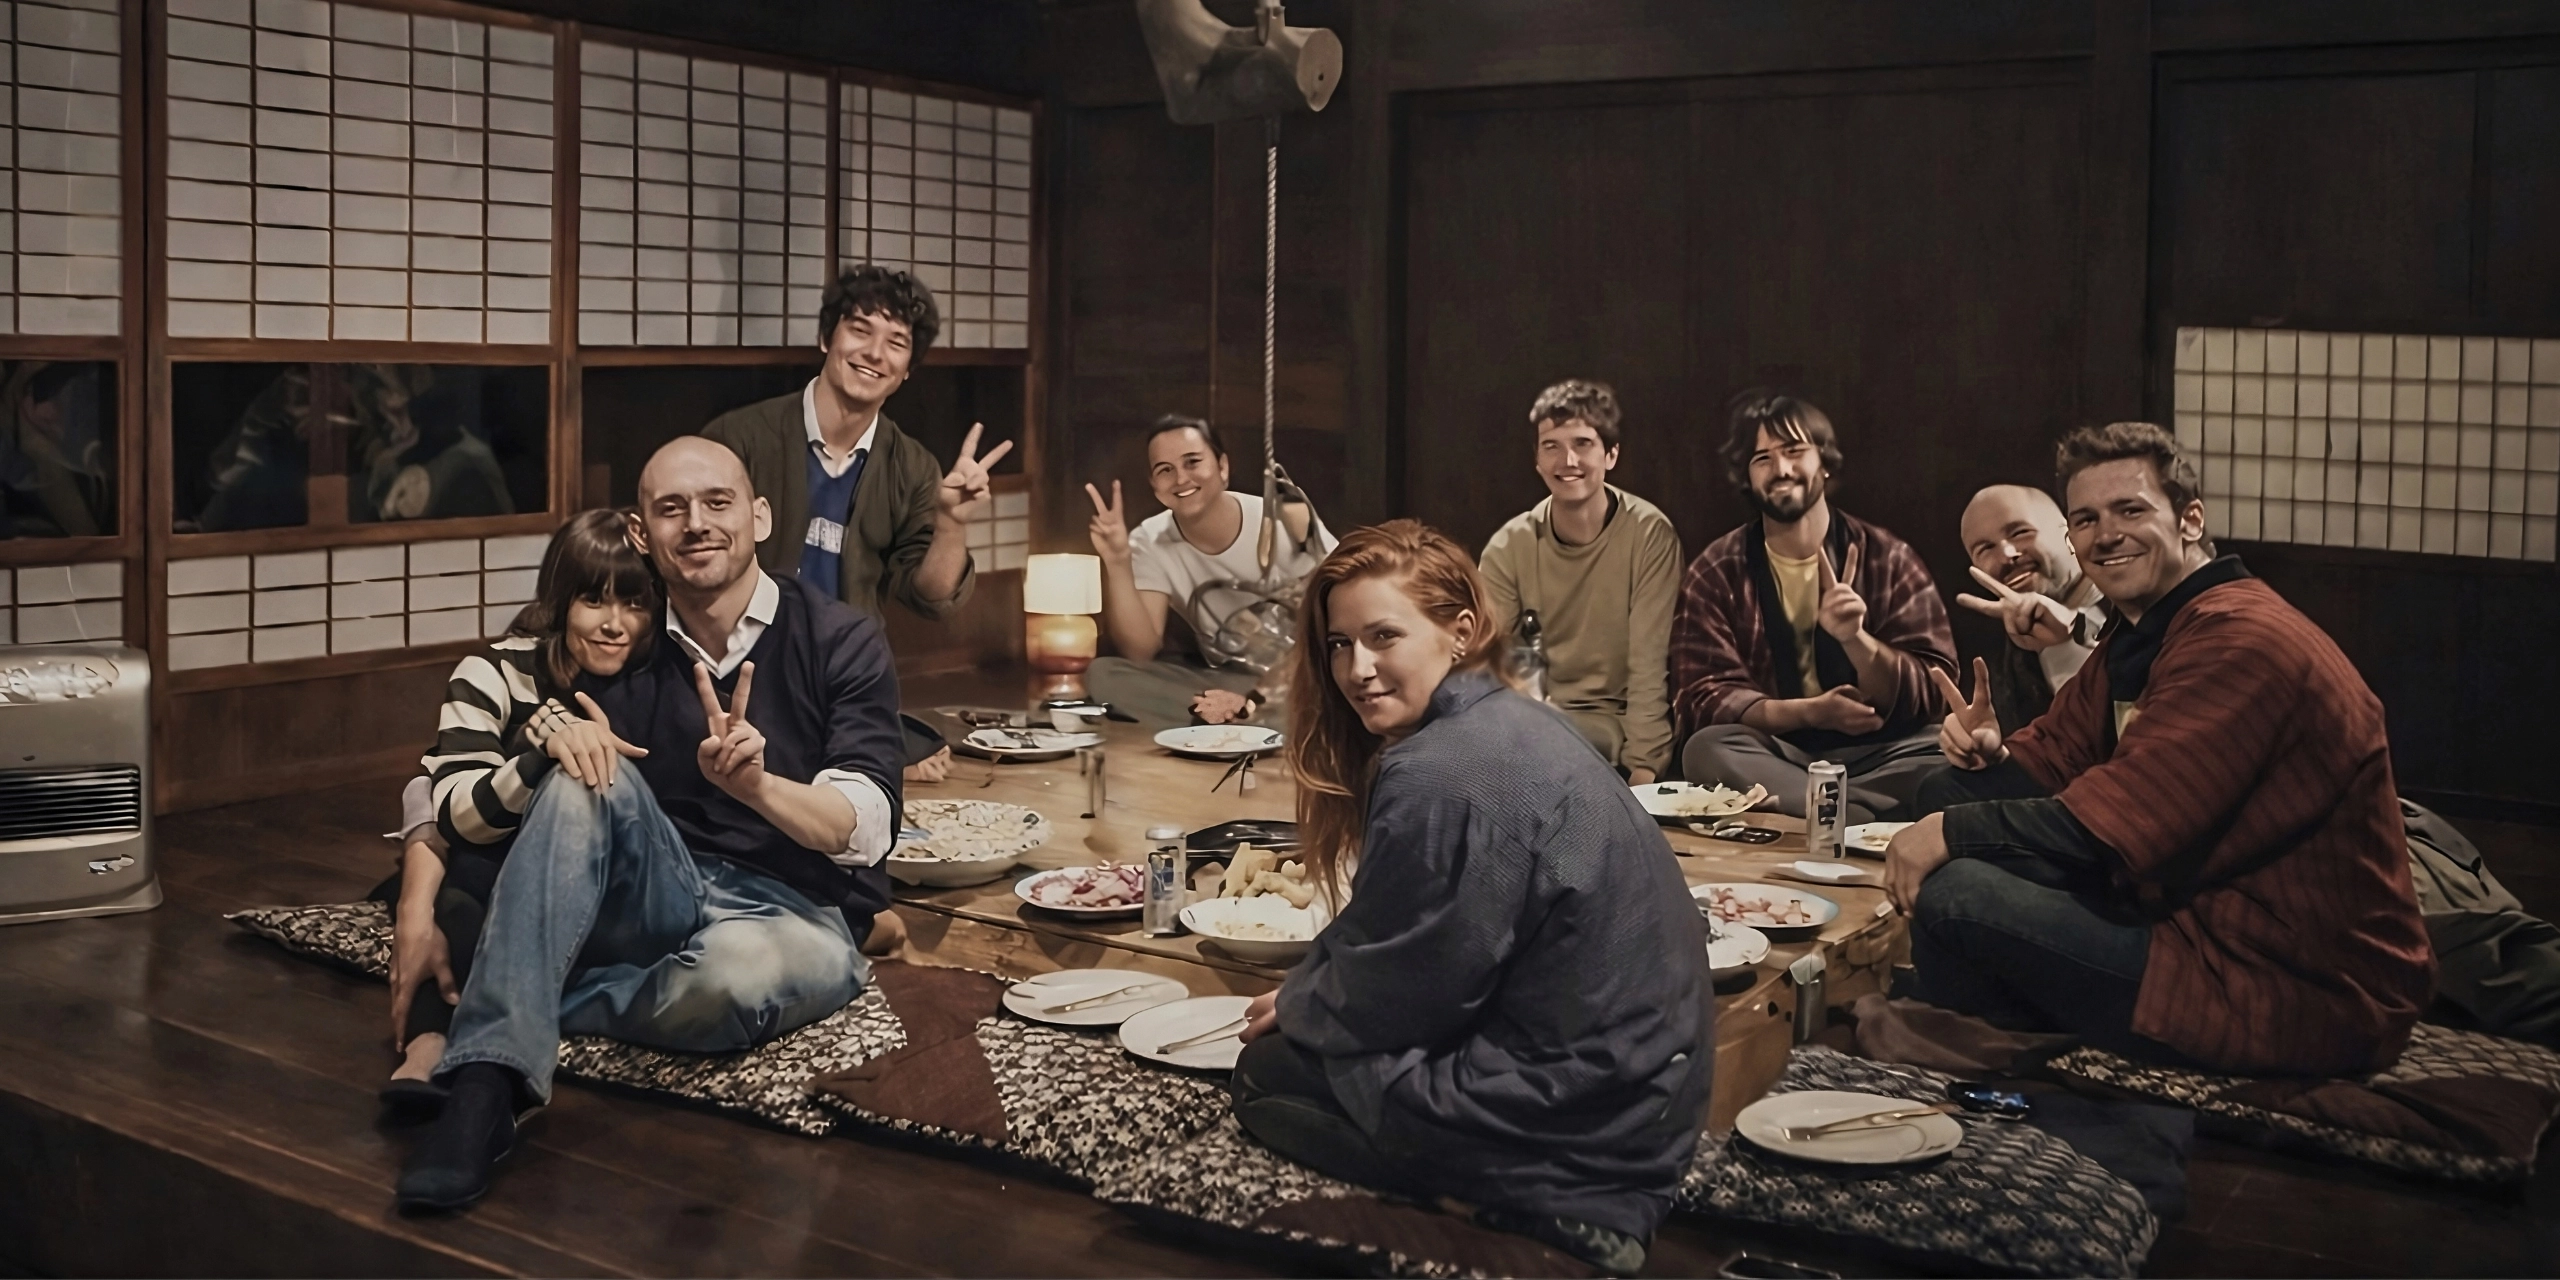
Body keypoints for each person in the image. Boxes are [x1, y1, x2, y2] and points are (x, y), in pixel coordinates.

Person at [396, 437, 906, 1212]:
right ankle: (486, 1089)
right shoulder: (623, 638)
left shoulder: (840, 638)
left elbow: (867, 824)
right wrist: (416, 901)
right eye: (672, 509)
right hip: (656, 888)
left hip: (790, 908)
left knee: (736, 979)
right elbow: (443, 774)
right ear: (643, 532)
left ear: (760, 517)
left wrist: (759, 787)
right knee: (581, 771)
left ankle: (509, 1004)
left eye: (716, 503)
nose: (695, 524)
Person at [1231, 520, 1710, 1277]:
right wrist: (1315, 988)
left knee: (1267, 1077)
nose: (1357, 668)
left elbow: (1413, 991)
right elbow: (1413, 936)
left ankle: (1530, 1209)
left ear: (1460, 632)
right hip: (1652, 1097)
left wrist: (1308, 1007)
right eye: (1338, 643)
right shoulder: (1514, 717)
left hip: (1582, 1130)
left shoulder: (1438, 770)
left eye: (1384, 636)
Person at [1887, 422, 2433, 1077]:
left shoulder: (2243, 638)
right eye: (2086, 519)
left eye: (2131, 510)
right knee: (1945, 789)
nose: (2105, 534)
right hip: (2183, 904)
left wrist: (1948, 833)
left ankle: (1994, 1046)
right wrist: (1991, 758)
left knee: (1958, 891)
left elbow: (2112, 824)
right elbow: (2056, 761)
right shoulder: (2150, 626)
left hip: (2291, 981)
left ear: (2190, 520)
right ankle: (1990, 1025)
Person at [376, 510, 661, 1110]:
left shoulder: (658, 680)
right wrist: (539, 752)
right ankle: (428, 1042)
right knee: (467, 880)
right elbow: (449, 806)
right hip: (491, 869)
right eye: (593, 601)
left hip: (612, 887)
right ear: (560, 602)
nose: (615, 625)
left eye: (634, 604)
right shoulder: (496, 671)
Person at [700, 264, 1008, 784]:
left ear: (908, 367)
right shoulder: (740, 438)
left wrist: (951, 520)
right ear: (826, 337)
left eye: (896, 342)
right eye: (860, 330)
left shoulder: (909, 465)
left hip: (843, 676)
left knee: (922, 751)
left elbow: (930, 596)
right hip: (741, 663)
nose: (874, 353)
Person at [1669, 391, 1956, 821]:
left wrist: (1856, 640)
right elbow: (1701, 697)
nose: (1781, 469)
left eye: (1794, 451)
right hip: (1779, 757)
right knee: (1706, 750)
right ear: (1747, 477)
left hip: (1881, 753)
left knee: (1949, 748)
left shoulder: (1887, 556)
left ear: (1824, 461)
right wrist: (1812, 712)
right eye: (1762, 458)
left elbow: (1937, 690)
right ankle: (1854, 812)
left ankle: (1823, 809)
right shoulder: (1717, 569)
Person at [1477, 380, 1682, 783]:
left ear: (1611, 455)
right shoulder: (1509, 546)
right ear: (1537, 461)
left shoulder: (1648, 535)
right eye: (1551, 446)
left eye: (1583, 443)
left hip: (1613, 724)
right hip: (1532, 718)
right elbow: (1486, 660)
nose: (1567, 460)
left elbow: (1648, 664)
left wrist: (1643, 770)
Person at [1082, 414, 1335, 727]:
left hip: (1304, 674)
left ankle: (1242, 717)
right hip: (1229, 679)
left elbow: (1342, 600)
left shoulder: (1285, 517)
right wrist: (1118, 560)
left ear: (1223, 467)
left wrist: (1269, 692)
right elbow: (1140, 651)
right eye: (1165, 470)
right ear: (1154, 485)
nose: (1180, 479)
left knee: (1333, 689)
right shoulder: (1149, 540)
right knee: (1105, 676)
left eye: (1192, 462)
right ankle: (1243, 717)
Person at [1954, 484, 2110, 734]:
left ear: (2068, 536)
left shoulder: (2134, 608)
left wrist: (2067, 644)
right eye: (1985, 549)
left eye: (2020, 532)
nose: (2007, 554)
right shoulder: (1998, 659)